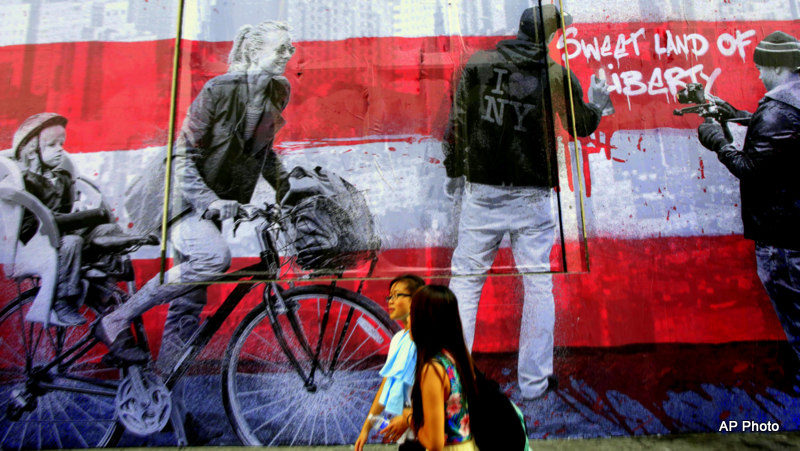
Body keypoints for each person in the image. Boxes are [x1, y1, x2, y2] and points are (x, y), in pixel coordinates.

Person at [443, 5, 610, 400]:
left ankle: (452, 384)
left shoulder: (479, 64)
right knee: (537, 284)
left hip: (482, 191)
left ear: (519, 29)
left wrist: (454, 172)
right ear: (551, 36)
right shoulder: (555, 73)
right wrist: (599, 103)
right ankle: (533, 383)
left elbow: (457, 123)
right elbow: (580, 125)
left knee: (465, 283)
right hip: (531, 195)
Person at [697, 31, 800, 383]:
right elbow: (783, 138)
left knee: (795, 315)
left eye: (760, 68)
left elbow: (750, 170)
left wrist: (718, 142)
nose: (757, 75)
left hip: (782, 239)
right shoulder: (792, 102)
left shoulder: (777, 110)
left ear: (775, 66)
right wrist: (740, 115)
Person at [355, 274, 426, 451]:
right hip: (407, 434)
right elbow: (386, 386)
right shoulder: (397, 339)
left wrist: (411, 417)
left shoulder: (428, 338)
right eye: (389, 296)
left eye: (397, 295)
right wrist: (366, 428)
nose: (390, 301)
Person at [408, 285, 479, 451]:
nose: (408, 321)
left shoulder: (433, 369)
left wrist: (410, 421)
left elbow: (435, 442)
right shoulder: (456, 359)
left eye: (412, 313)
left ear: (425, 320)